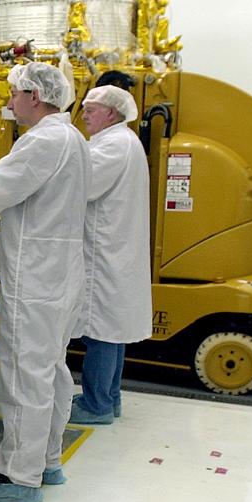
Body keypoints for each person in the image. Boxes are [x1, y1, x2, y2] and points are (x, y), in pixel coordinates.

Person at [0, 61, 89, 502]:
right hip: (61, 273)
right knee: (51, 371)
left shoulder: (44, 140)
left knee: (26, 375)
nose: (9, 102)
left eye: (13, 94)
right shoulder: (74, 139)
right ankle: (47, 461)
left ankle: (18, 478)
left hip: (37, 276)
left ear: (34, 96)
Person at [69, 85, 151, 425]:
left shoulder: (112, 146)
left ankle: (96, 404)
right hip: (116, 249)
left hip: (105, 251)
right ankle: (109, 397)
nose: (84, 113)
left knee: (100, 330)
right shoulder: (123, 141)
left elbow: (81, 186)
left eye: (92, 108)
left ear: (113, 114)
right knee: (113, 330)